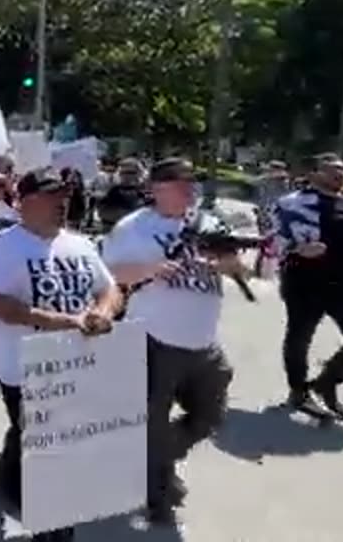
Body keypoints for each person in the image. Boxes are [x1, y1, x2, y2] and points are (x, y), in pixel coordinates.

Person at [0, 167, 124, 542]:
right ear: (24, 203)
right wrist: (54, 320)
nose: (63, 203)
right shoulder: (5, 246)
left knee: (37, 438)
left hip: (75, 365)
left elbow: (111, 290)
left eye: (66, 195)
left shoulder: (79, 244)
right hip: (23, 369)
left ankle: (9, 477)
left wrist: (102, 313)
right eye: (53, 196)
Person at [102, 157, 240, 527]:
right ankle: (157, 493)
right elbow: (107, 274)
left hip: (204, 341)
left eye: (191, 182)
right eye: (179, 183)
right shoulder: (134, 227)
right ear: (156, 189)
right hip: (153, 338)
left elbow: (236, 264)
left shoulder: (207, 221)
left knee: (211, 416)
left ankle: (156, 462)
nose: (188, 189)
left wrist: (222, 264)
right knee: (153, 421)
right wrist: (150, 269)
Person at [274, 152, 343, 419]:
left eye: (342, 169)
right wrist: (298, 248)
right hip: (305, 283)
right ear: (313, 174)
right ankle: (298, 391)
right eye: (331, 169)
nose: (339, 174)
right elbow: (272, 238)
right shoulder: (292, 203)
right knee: (299, 337)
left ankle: (327, 382)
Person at [96, 158, 147, 232]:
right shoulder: (114, 192)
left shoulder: (147, 192)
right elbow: (104, 213)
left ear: (139, 173)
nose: (127, 176)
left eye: (131, 172)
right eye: (123, 172)